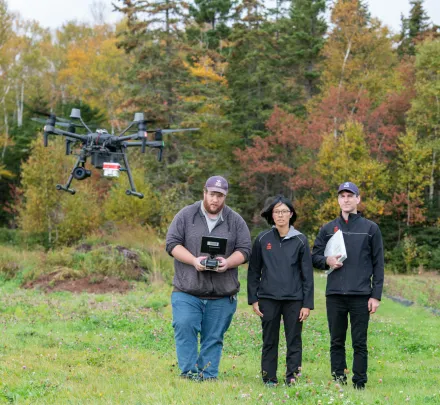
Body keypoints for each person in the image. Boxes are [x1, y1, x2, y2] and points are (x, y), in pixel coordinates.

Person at [166, 175, 252, 381]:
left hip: (222, 293)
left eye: (220, 196)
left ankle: (208, 375)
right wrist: (194, 261)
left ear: (225, 197)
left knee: (213, 337)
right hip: (188, 289)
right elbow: (172, 244)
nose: (215, 200)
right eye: (212, 194)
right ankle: (188, 373)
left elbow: (245, 249)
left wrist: (228, 263)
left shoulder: (235, 220)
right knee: (184, 326)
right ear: (204, 193)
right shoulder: (186, 215)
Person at [311, 182, 384, 390]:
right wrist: (328, 261)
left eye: (350, 195)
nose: (346, 199)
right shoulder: (328, 229)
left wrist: (375, 295)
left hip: (361, 294)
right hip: (334, 294)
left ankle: (359, 382)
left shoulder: (370, 228)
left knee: (359, 342)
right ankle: (338, 380)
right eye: (342, 196)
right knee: (336, 341)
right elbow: (314, 256)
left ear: (358, 199)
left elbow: (379, 264)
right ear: (338, 200)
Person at [247, 195, 314, 387]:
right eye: (277, 211)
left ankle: (292, 377)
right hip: (268, 298)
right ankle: (269, 378)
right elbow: (253, 271)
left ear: (291, 214)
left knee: (294, 340)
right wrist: (254, 298)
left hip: (294, 299)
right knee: (269, 340)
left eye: (284, 211)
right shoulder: (262, 239)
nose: (281, 215)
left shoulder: (300, 240)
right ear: (272, 215)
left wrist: (307, 304)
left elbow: (307, 275)